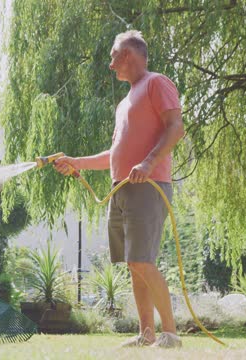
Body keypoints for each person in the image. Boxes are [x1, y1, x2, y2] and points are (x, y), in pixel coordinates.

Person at [54, 30, 185, 348]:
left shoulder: (156, 82)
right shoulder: (126, 101)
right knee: (133, 263)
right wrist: (77, 162)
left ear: (128, 54)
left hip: (148, 185)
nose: (111, 64)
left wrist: (149, 163)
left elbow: (176, 127)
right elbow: (114, 155)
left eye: (114, 56)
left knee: (143, 260)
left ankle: (170, 334)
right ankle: (146, 335)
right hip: (123, 187)